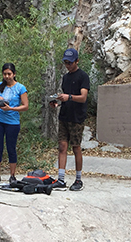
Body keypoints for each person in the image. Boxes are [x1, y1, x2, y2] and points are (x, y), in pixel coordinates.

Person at [0, 63, 29, 184]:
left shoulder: (20, 88)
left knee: (11, 148)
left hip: (12, 122)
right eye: (5, 74)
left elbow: (25, 106)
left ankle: (12, 175)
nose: (7, 76)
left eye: (9, 74)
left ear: (14, 74)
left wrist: (12, 109)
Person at [50, 48, 89, 191]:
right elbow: (65, 98)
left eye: (70, 63)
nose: (68, 65)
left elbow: (83, 97)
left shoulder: (83, 77)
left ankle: (78, 180)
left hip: (77, 118)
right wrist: (57, 102)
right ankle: (60, 179)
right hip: (64, 116)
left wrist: (70, 97)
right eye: (66, 63)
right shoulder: (65, 78)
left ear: (77, 61)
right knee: (62, 146)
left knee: (76, 147)